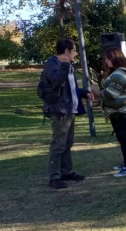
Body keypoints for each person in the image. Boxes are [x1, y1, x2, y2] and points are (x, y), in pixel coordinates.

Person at [39, 39, 94, 189]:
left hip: (70, 109)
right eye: (74, 50)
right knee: (58, 144)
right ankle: (54, 177)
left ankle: (66, 172)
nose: (76, 53)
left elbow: (69, 87)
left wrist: (84, 92)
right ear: (67, 51)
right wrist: (64, 64)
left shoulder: (67, 65)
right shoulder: (53, 64)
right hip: (60, 110)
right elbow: (57, 82)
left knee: (67, 143)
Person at [98, 47, 126, 177]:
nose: (106, 60)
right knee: (122, 137)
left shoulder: (120, 74)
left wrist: (96, 93)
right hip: (118, 110)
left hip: (119, 110)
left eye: (108, 58)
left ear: (115, 58)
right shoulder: (121, 72)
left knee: (124, 137)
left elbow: (111, 94)